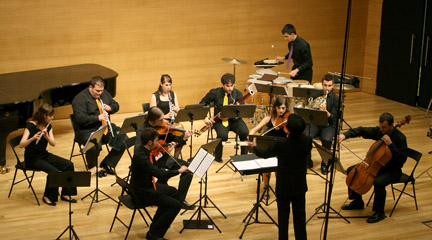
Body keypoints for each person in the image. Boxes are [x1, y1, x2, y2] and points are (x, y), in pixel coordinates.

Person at [248, 114, 312, 240]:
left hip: (284, 186)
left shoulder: (281, 144)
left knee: (283, 219)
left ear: (287, 129)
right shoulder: (307, 141)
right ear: (303, 130)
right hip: (299, 185)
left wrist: (254, 147)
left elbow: (265, 154)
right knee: (300, 218)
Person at [338, 112, 408, 223]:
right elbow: (362, 130)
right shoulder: (380, 131)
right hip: (377, 166)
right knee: (352, 170)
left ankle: (379, 212)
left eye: (384, 127)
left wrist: (391, 144)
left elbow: (402, 159)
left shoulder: (400, 138)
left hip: (393, 170)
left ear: (391, 125)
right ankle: (357, 202)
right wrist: (345, 135)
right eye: (380, 126)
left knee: (378, 182)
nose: (382, 129)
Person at [130, 127, 189, 240]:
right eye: (156, 140)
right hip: (141, 192)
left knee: (173, 192)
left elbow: (156, 166)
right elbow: (159, 174)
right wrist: (178, 171)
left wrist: (167, 153)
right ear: (150, 142)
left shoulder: (145, 151)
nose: (158, 143)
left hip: (148, 185)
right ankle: (155, 235)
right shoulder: (141, 156)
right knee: (176, 205)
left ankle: (155, 228)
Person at [135, 107, 195, 210]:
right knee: (161, 172)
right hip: (152, 160)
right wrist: (155, 150)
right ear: (152, 120)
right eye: (161, 120)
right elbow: (139, 150)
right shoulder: (142, 131)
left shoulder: (165, 128)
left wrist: (184, 138)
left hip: (164, 157)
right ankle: (160, 196)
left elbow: (175, 142)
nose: (164, 121)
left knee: (189, 168)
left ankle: (180, 200)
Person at [19, 104, 77, 206]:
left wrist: (46, 136)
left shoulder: (48, 125)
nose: (52, 118)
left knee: (68, 164)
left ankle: (66, 194)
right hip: (32, 158)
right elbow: (21, 145)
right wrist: (32, 139)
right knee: (54, 171)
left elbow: (53, 143)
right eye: (50, 116)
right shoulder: (30, 126)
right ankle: (48, 196)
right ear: (43, 115)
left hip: (43, 155)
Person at [72, 76, 128, 177]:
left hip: (105, 127)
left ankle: (108, 164)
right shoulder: (79, 99)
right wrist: (97, 118)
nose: (99, 93)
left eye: (101, 91)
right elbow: (80, 119)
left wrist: (110, 108)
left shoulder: (104, 94)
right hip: (87, 129)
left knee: (123, 138)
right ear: (90, 87)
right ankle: (93, 168)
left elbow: (116, 105)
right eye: (97, 91)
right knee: (93, 145)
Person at [200, 73, 249, 163]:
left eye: (232, 86)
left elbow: (242, 110)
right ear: (222, 85)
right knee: (223, 136)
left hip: (234, 120)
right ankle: (217, 156)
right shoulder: (215, 92)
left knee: (245, 132)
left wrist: (233, 112)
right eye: (227, 86)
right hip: (219, 121)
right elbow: (202, 103)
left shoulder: (238, 94)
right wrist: (205, 118)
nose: (230, 88)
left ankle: (244, 157)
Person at [249, 96, 290, 199]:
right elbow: (254, 130)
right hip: (268, 148)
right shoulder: (268, 118)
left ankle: (279, 189)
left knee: (278, 170)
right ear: (275, 107)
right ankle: (266, 188)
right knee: (266, 168)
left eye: (283, 108)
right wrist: (250, 136)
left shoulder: (288, 120)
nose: (281, 111)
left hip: (281, 149)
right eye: (279, 108)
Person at [304, 74, 339, 174]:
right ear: (322, 84)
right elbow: (311, 112)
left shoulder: (336, 99)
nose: (327, 88)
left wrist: (326, 112)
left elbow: (334, 118)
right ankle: (308, 160)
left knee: (327, 139)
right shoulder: (316, 95)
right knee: (306, 136)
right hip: (316, 123)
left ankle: (325, 163)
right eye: (325, 85)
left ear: (333, 86)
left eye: (329, 86)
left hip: (329, 125)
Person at [149, 74, 182, 158]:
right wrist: (165, 116)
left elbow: (179, 110)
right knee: (165, 140)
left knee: (180, 136)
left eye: (170, 85)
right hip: (160, 125)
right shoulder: (155, 96)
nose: (169, 87)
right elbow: (152, 114)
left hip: (171, 124)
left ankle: (176, 159)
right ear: (161, 84)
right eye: (166, 85)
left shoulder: (172, 94)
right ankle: (163, 159)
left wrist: (175, 109)